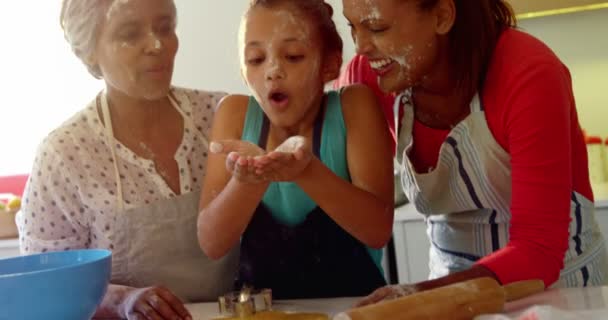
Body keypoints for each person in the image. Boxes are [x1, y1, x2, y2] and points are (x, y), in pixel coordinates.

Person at [340, 0, 608, 306]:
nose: (360, 47)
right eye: (352, 26)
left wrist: (420, 296)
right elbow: (366, 211)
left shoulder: (528, 71)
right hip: (450, 293)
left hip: (558, 292)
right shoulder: (369, 77)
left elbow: (538, 251)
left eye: (377, 28)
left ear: (442, 16)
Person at [16, 0, 239, 319]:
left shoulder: (220, 115)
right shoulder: (64, 153)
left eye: (165, 28)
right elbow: (47, 284)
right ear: (90, 50)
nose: (157, 45)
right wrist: (119, 300)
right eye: (130, 34)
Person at [196, 0, 394, 299]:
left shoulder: (354, 107)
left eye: (293, 56)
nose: (273, 71)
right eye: (256, 59)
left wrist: (307, 171)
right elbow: (211, 243)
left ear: (329, 64)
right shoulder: (235, 114)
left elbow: (378, 230)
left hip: (354, 308)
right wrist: (246, 182)